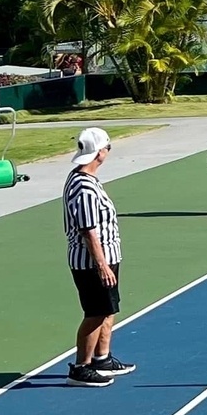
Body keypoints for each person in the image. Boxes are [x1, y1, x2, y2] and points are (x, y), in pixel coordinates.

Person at [63, 127, 135, 387]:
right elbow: (89, 231)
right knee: (95, 312)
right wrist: (102, 265)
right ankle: (81, 367)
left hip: (107, 257)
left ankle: (101, 359)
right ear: (100, 152)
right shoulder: (83, 187)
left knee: (108, 309)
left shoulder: (87, 180)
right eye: (108, 147)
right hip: (92, 262)